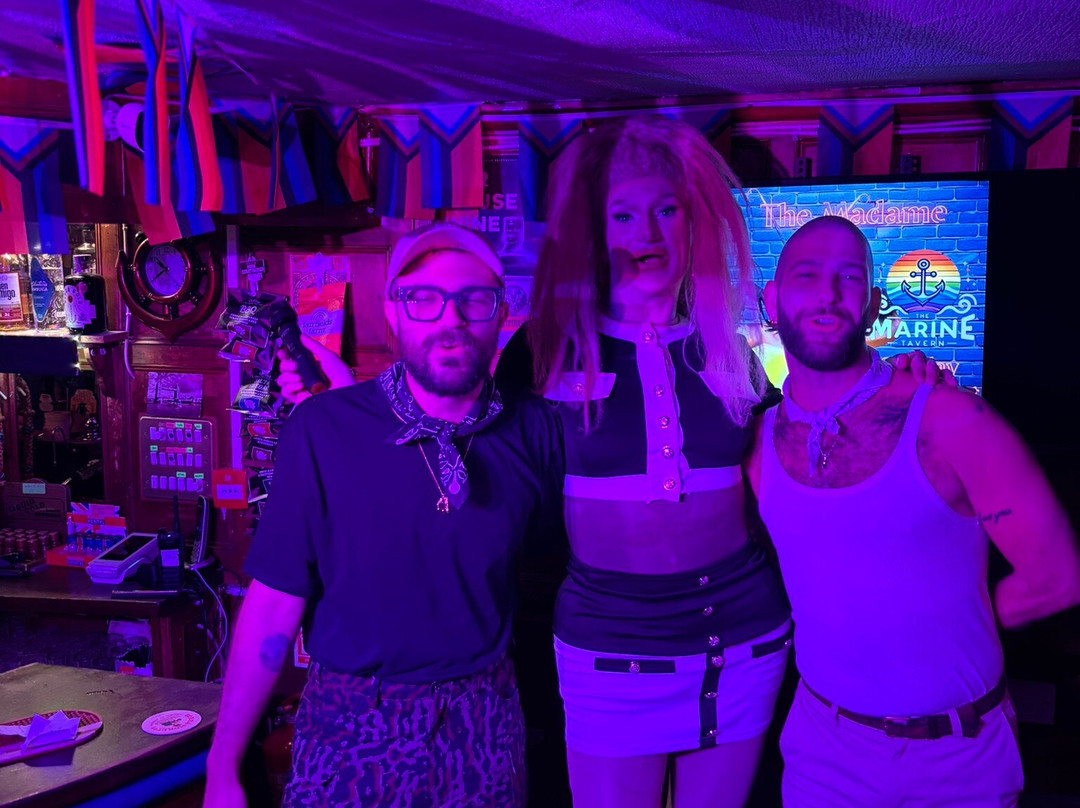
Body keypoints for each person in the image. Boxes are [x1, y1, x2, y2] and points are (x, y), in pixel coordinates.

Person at [277, 117, 946, 808]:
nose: (646, 233)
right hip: (609, 650)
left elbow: (806, 436)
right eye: (622, 215)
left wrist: (895, 385)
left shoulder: (728, 345)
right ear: (594, 232)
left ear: (692, 226)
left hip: (745, 640)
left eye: (666, 211)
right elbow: (462, 427)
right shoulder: (545, 349)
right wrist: (354, 406)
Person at [204, 223, 564, 808]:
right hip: (350, 725)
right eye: (424, 299)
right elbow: (273, 603)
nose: (450, 319)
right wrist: (223, 767)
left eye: (474, 299)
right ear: (393, 314)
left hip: (484, 724)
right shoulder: (324, 429)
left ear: (501, 315)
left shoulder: (535, 432)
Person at [746, 215, 1080, 808]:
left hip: (957, 755)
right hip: (823, 751)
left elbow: (1059, 577)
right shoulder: (755, 445)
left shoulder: (951, 421)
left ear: (874, 306)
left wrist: (938, 624)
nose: (828, 293)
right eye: (807, 275)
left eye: (849, 277)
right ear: (771, 300)